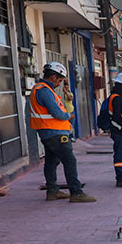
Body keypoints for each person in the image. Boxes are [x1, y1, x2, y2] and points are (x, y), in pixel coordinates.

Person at [29, 62, 95, 202]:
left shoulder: (39, 89)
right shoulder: (45, 90)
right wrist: (69, 116)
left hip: (48, 132)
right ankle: (76, 192)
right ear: (53, 77)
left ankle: (52, 191)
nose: (59, 84)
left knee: (51, 162)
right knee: (69, 160)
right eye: (59, 80)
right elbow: (57, 113)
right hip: (55, 133)